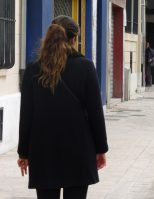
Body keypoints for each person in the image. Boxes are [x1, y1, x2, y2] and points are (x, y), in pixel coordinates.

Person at [17, 15, 108, 199]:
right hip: (78, 149)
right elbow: (95, 113)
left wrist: (23, 153)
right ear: (74, 39)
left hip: (43, 150)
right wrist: (101, 149)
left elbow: (26, 115)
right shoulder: (85, 67)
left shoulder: (33, 70)